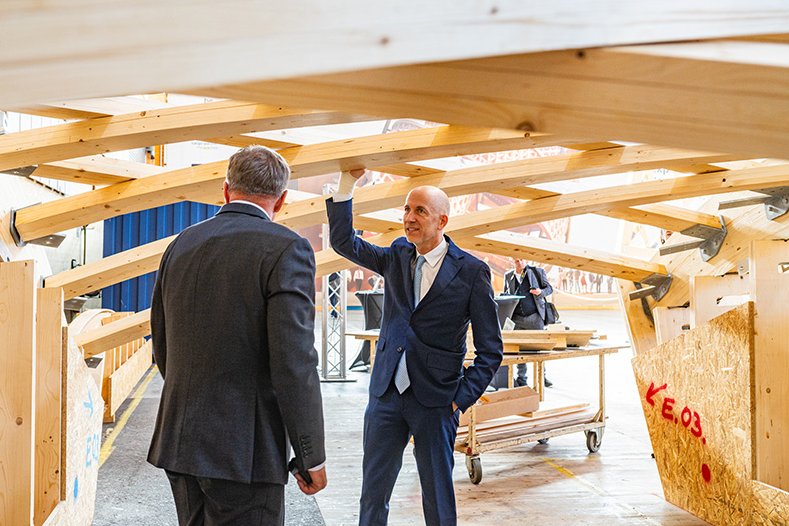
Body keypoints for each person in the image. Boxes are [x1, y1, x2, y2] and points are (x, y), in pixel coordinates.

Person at [148, 146, 327, 526]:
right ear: (282, 199)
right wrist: (311, 454)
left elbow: (162, 344)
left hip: (180, 443)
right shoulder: (287, 249)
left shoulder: (180, 245)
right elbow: (294, 362)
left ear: (226, 190)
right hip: (245, 453)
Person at [326, 169, 502, 526]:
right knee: (373, 494)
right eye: (406, 209)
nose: (409, 218)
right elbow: (345, 243)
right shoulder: (397, 254)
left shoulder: (471, 271)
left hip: (437, 401)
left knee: (437, 497)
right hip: (386, 395)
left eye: (420, 211)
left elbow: (490, 350)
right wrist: (347, 186)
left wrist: (459, 399)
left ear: (442, 220)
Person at [503, 258, 554, 388]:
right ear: (512, 261)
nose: (519, 262)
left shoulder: (537, 272)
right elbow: (505, 294)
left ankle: (542, 375)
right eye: (516, 261)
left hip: (535, 317)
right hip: (516, 318)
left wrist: (540, 292)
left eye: (521, 260)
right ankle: (521, 378)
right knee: (518, 350)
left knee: (540, 348)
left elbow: (549, 289)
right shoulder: (508, 276)